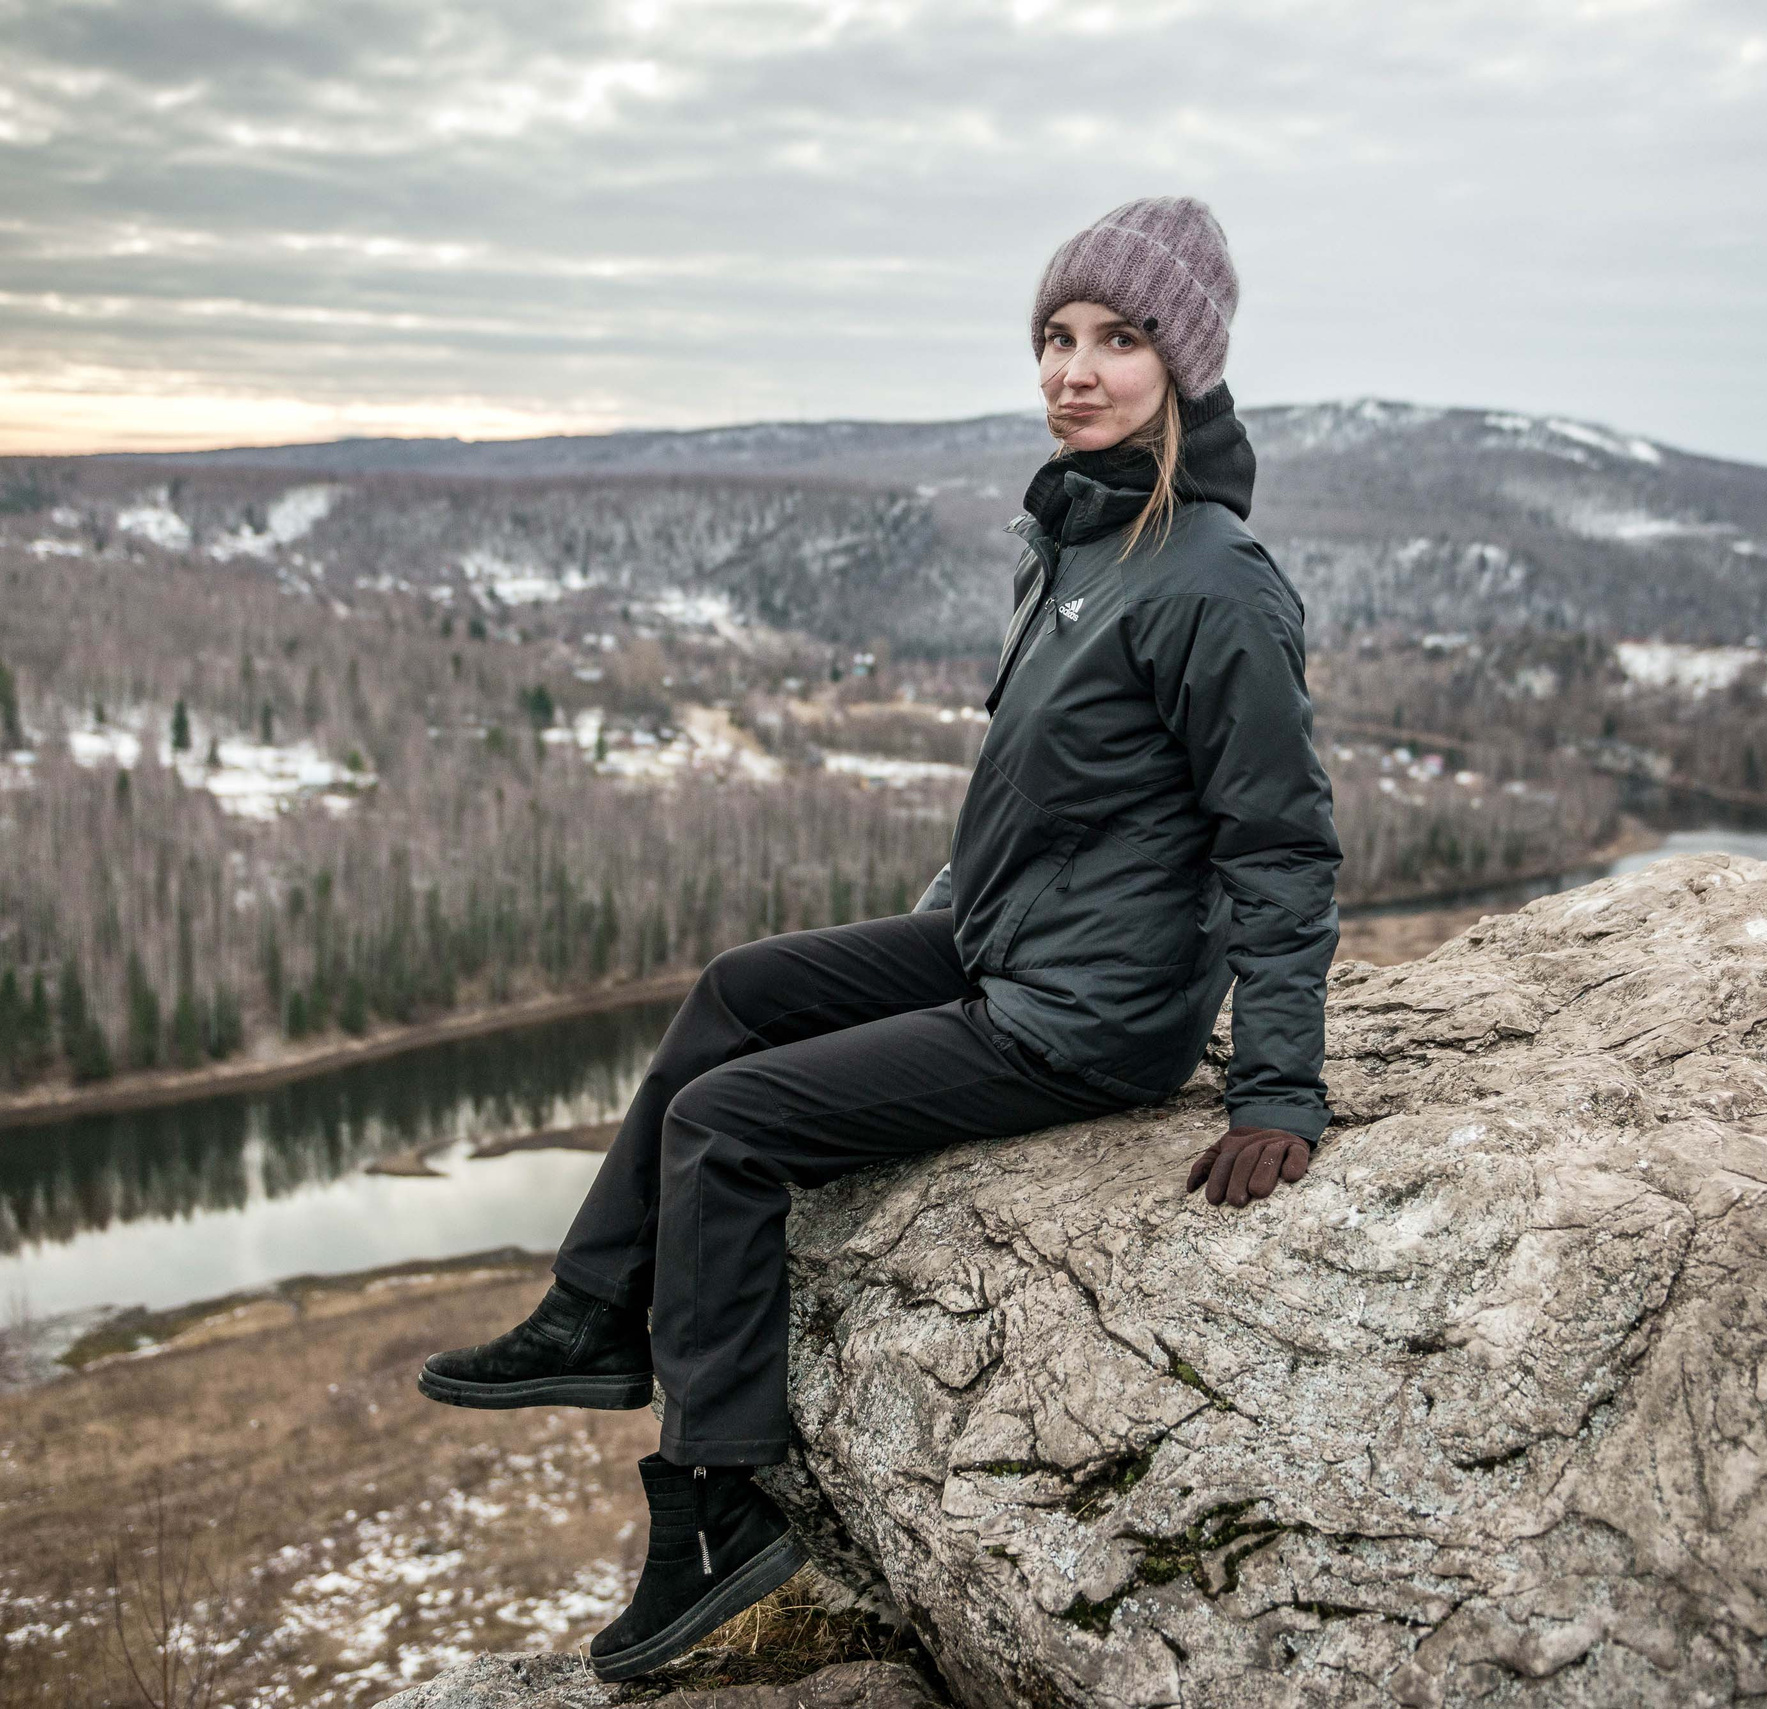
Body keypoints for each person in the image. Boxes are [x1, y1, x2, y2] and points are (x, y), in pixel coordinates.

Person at [416, 195, 1340, 1683]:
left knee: (727, 1128)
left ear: (1188, 362)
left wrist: (1279, 1087)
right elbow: (1048, 804)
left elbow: (1279, 841)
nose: (1073, 369)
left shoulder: (1213, 578)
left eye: (1117, 338)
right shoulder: (1084, 543)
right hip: (1003, 944)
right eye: (1055, 337)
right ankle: (594, 1312)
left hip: (1084, 1018)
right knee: (739, 993)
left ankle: (717, 1507)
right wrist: (927, 943)